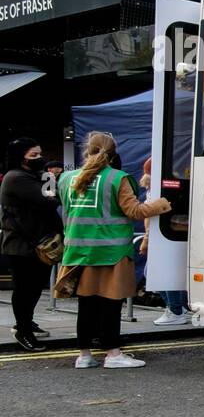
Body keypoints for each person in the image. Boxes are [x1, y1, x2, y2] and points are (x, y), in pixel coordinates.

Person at [59, 131, 171, 368]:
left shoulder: (67, 178)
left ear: (86, 150)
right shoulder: (117, 178)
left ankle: (84, 356)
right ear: (113, 153)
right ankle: (113, 354)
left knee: (86, 305)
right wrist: (161, 205)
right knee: (111, 303)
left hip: (78, 252)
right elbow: (135, 211)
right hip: (111, 253)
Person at [1, 138, 63, 351]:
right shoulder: (17, 178)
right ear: (21, 158)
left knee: (35, 287)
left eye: (39, 154)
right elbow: (51, 200)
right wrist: (50, 178)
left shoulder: (31, 175)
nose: (40, 159)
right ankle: (23, 331)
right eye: (33, 155)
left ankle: (27, 322)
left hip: (38, 243)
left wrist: (47, 177)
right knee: (25, 289)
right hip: (22, 245)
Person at [139, 156, 190, 326]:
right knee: (157, 273)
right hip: (166, 234)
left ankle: (175, 310)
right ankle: (176, 308)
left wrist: (146, 239)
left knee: (163, 274)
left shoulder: (157, 190)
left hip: (162, 235)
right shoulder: (160, 188)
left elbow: (149, 216)